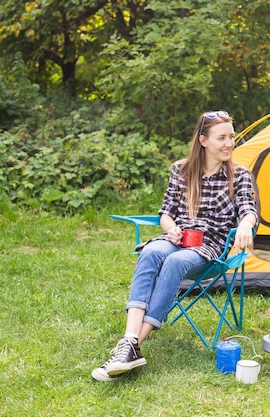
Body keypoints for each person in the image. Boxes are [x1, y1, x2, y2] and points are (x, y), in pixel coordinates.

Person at [92, 111, 258, 382]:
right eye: (222, 138)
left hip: (211, 248)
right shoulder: (181, 170)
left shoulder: (239, 175)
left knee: (175, 262)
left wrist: (245, 225)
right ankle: (129, 340)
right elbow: (165, 213)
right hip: (179, 240)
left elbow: (248, 209)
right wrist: (171, 229)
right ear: (203, 140)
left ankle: (131, 348)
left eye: (231, 137)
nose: (229, 143)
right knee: (150, 251)